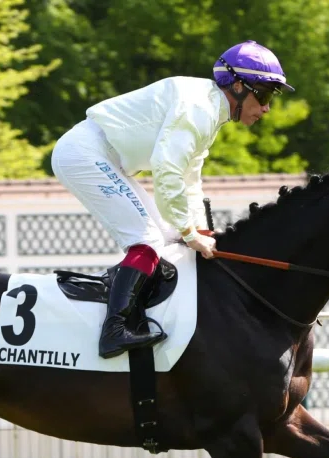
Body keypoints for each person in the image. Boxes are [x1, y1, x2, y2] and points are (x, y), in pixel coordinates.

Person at [51, 40, 294, 359]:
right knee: (148, 241)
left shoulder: (209, 111)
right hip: (85, 153)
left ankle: (132, 309)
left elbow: (190, 178)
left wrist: (197, 230)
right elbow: (167, 171)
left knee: (167, 236)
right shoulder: (198, 109)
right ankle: (115, 330)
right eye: (262, 95)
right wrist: (190, 232)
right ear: (237, 86)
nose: (266, 108)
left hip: (104, 155)